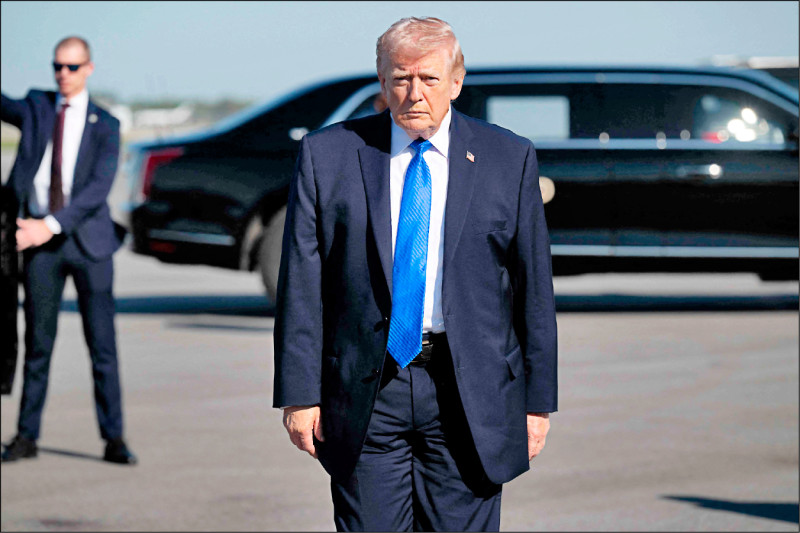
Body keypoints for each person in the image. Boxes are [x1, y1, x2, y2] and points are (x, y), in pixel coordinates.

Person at [273, 17, 557, 531]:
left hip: (470, 391)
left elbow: (532, 288)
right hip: (365, 389)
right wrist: (299, 393)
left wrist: (537, 403)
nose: (414, 93)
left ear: (456, 81)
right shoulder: (328, 155)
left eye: (428, 78)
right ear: (382, 82)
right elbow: (302, 283)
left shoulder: (508, 157)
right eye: (401, 79)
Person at [1, 36, 136, 465]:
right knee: (38, 345)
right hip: (41, 250)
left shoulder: (106, 124)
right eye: (57, 66)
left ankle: (114, 439)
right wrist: (39, 229)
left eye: (72, 67)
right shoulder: (37, 107)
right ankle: (26, 436)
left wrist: (49, 226)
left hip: (89, 245)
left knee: (102, 348)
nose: (63, 74)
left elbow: (97, 189)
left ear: (88, 69)